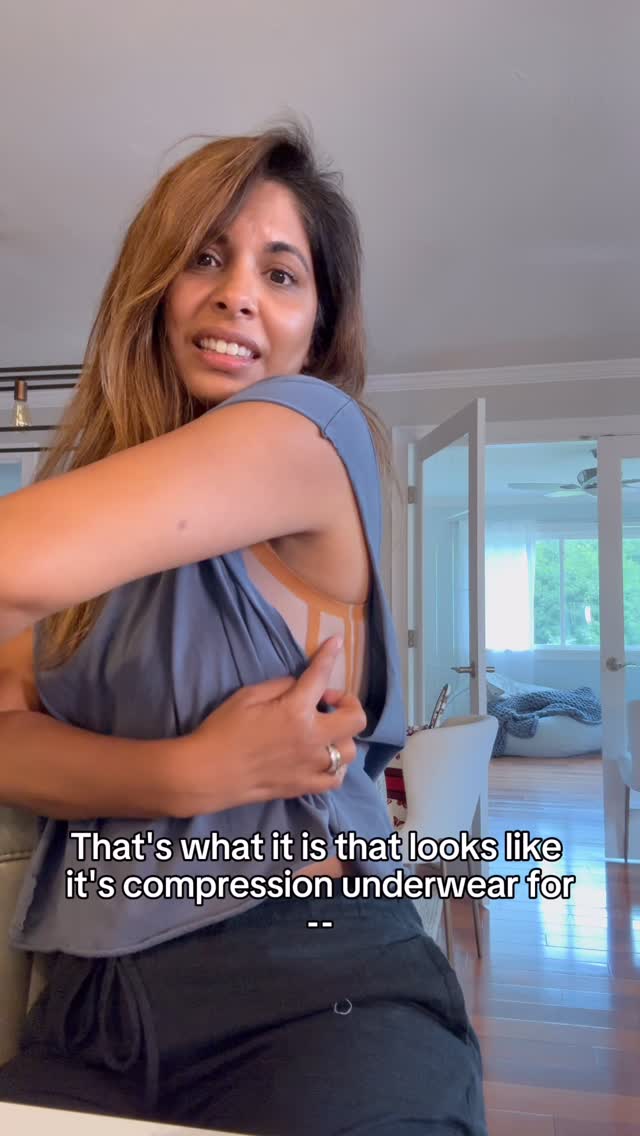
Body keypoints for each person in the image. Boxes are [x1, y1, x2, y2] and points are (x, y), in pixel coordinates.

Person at [0, 124, 487, 1134]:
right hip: (89, 1014)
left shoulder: (313, 431)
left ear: (317, 327)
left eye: (281, 272)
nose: (237, 295)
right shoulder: (86, 530)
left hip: (312, 986)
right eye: (205, 257)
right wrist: (192, 773)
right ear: (155, 288)